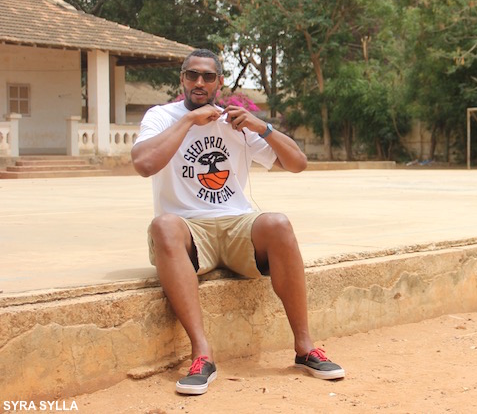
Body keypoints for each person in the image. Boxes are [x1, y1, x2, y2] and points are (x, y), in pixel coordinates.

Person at [131, 48, 344, 395]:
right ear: (182, 78)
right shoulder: (162, 116)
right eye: (192, 75)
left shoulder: (236, 123)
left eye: (208, 76)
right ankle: (202, 354)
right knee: (163, 226)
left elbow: (297, 163)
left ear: (220, 81)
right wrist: (188, 121)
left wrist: (265, 127)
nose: (200, 82)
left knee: (278, 222)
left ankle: (305, 348)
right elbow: (143, 164)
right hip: (189, 229)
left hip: (237, 226)